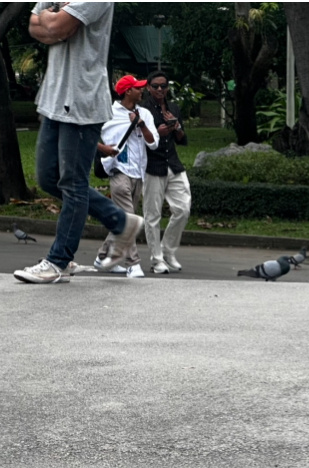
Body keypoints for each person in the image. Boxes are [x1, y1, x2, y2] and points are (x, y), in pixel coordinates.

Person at [15, 1, 144, 285]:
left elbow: (56, 27)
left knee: (73, 183)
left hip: (82, 99)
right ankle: (121, 221)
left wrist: (53, 22)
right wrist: (52, 22)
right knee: (48, 178)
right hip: (53, 97)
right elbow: (35, 26)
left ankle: (59, 260)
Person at [94, 75, 157, 278]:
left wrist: (141, 125)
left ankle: (103, 257)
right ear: (128, 91)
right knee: (129, 219)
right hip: (118, 170)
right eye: (138, 88)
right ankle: (133, 263)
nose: (142, 90)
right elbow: (87, 136)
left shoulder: (144, 113)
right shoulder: (108, 113)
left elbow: (153, 143)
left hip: (138, 173)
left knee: (123, 219)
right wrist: (104, 148)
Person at [141, 71, 192, 274]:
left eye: (163, 86)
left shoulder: (173, 108)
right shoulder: (143, 109)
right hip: (153, 165)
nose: (160, 89)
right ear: (148, 88)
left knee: (183, 209)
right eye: (155, 86)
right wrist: (157, 132)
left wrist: (176, 126)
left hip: (173, 164)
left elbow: (182, 139)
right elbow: (139, 138)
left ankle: (168, 250)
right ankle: (156, 259)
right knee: (152, 215)